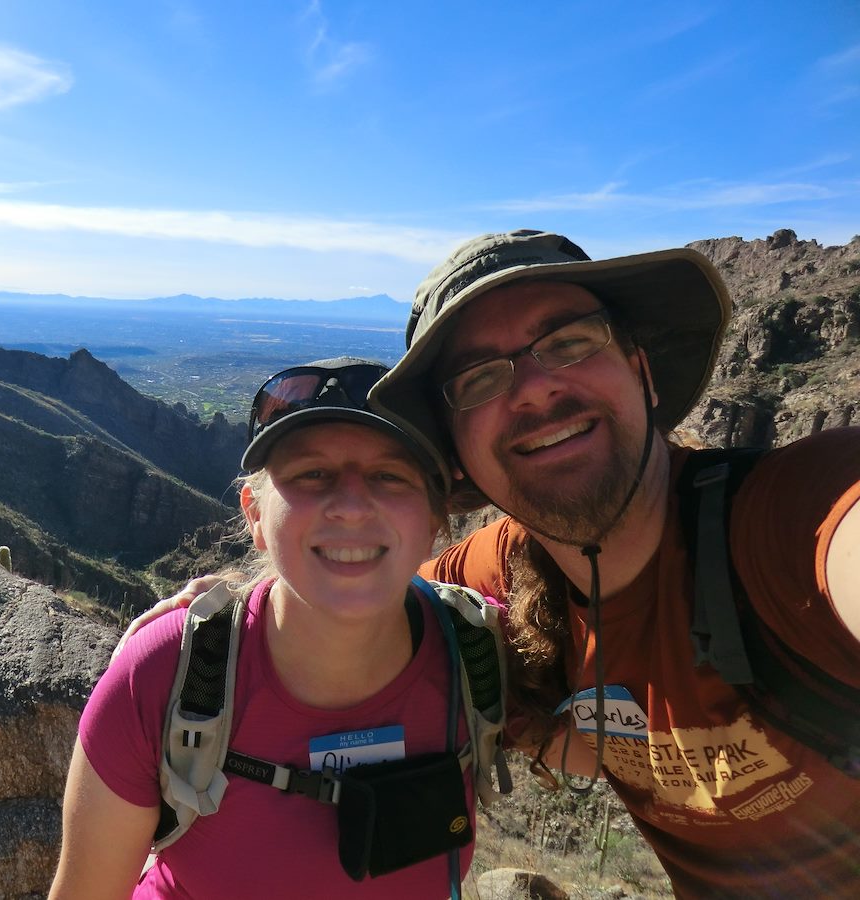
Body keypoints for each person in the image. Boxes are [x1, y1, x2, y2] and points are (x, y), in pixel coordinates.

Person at [127, 231, 860, 898]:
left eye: (571, 342)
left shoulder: (793, 519)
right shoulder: (494, 576)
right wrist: (228, 607)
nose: (536, 386)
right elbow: (357, 583)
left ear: (642, 371)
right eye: (480, 378)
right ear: (457, 452)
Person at [49, 357, 479, 899]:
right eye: (312, 474)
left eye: (390, 475)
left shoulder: (480, 657)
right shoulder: (161, 678)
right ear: (254, 513)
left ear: (436, 519)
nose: (350, 504)